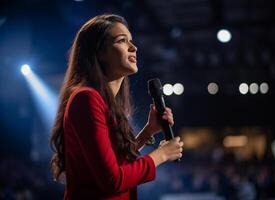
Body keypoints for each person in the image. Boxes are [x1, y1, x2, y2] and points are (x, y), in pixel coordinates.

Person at [50, 14, 184, 200]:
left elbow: (113, 162)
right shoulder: (86, 99)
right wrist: (161, 155)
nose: (133, 47)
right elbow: (111, 180)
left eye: (131, 40)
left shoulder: (103, 101)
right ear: (99, 53)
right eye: (122, 40)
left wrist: (148, 132)